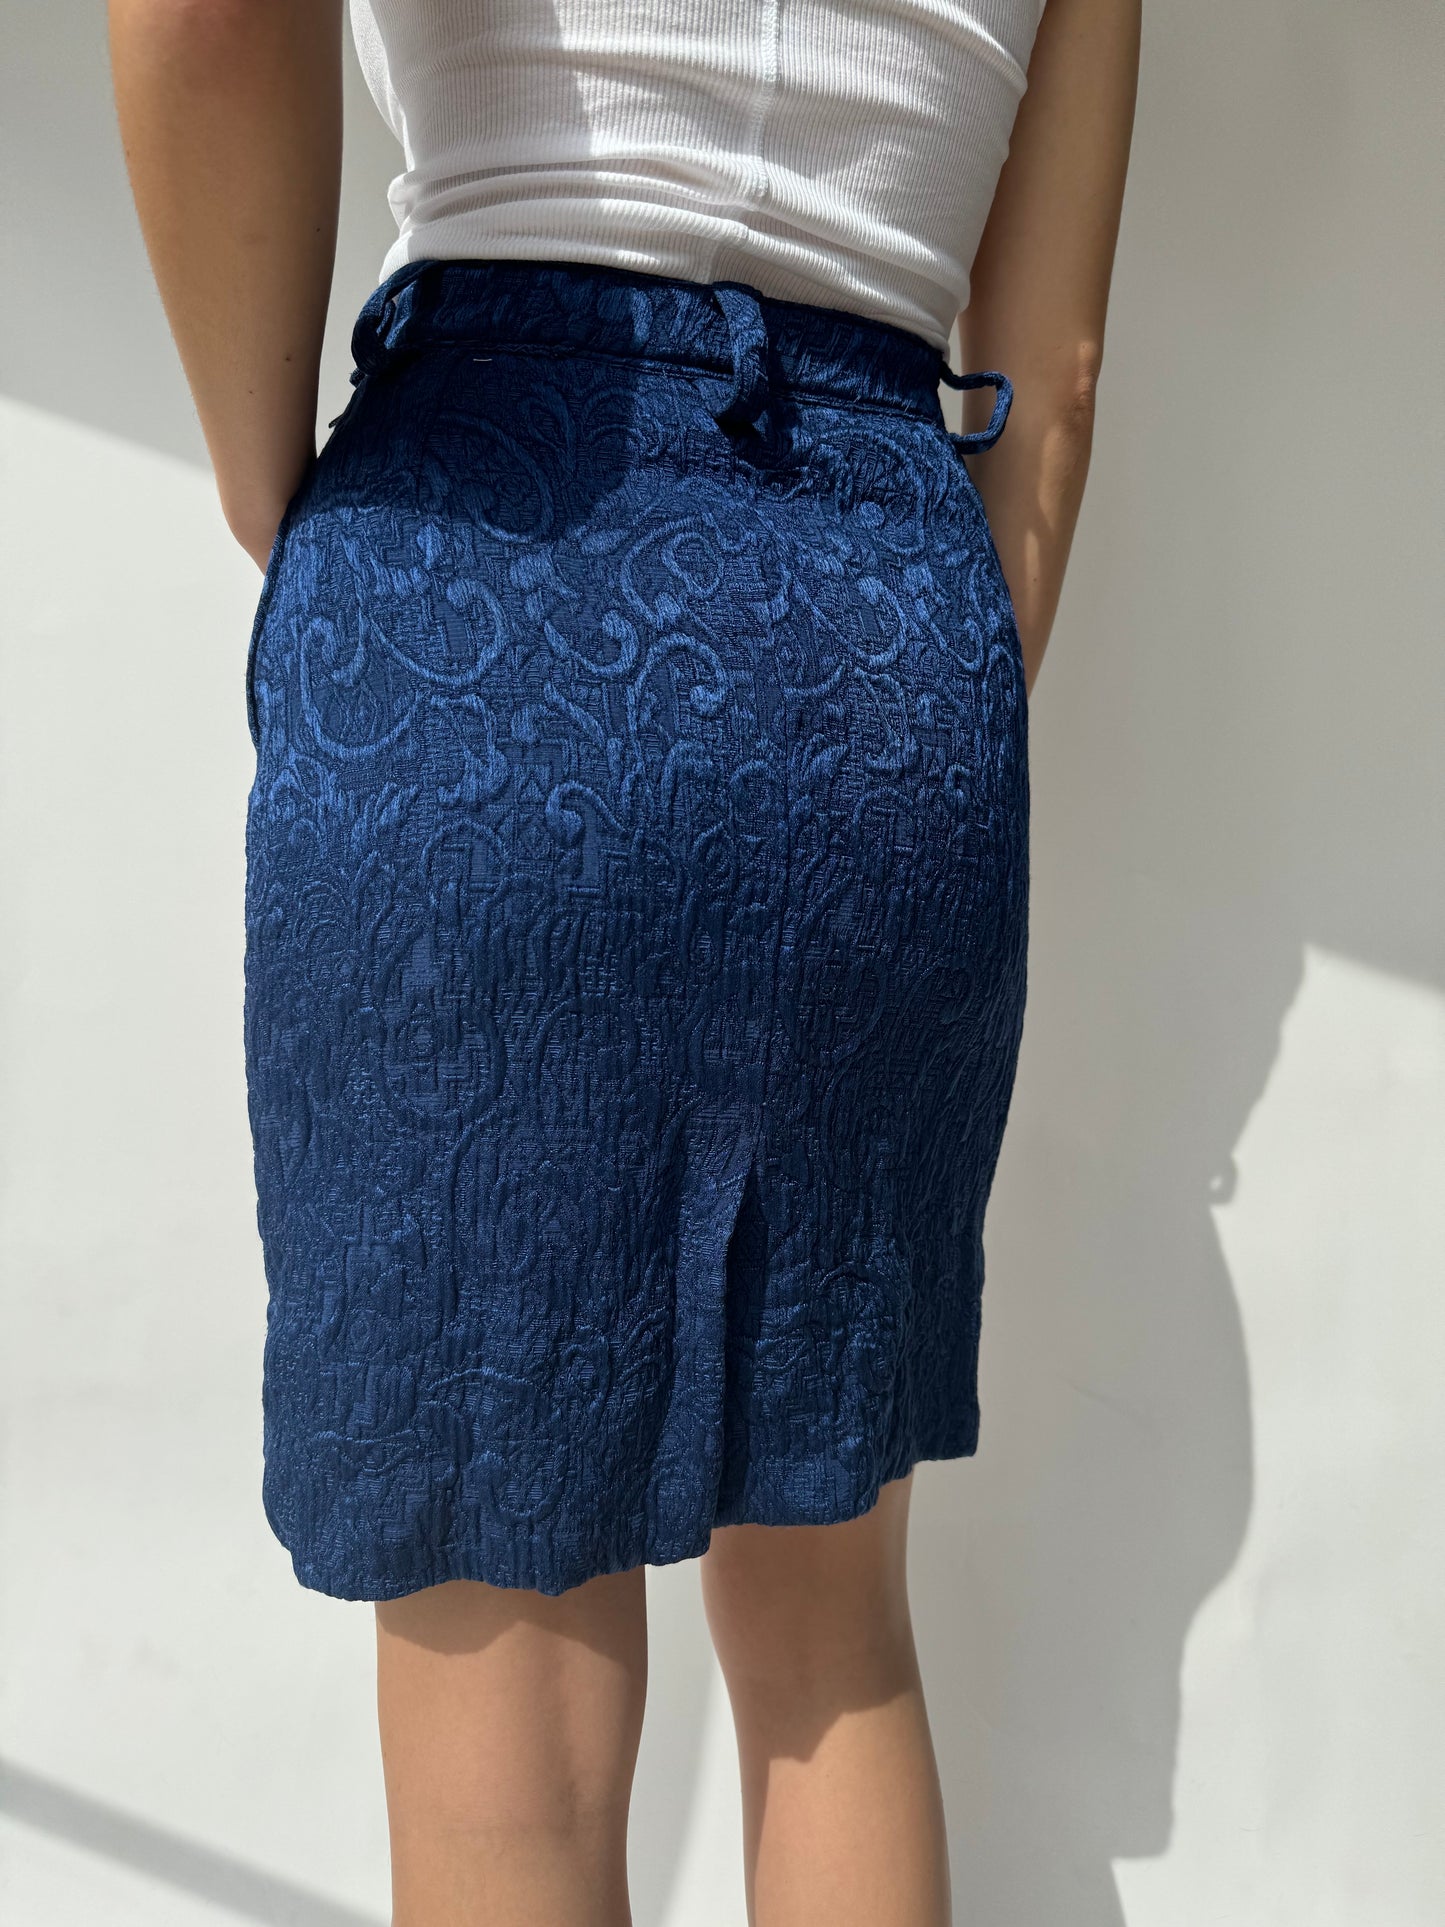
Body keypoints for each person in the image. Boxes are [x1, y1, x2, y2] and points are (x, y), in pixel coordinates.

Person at [109, 0, 1139, 1919]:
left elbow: (201, 18)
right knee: (835, 1637)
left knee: (508, 1672)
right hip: (884, 632)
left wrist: (275, 489)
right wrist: (916, 721)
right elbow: (1051, 386)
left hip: (485, 571)